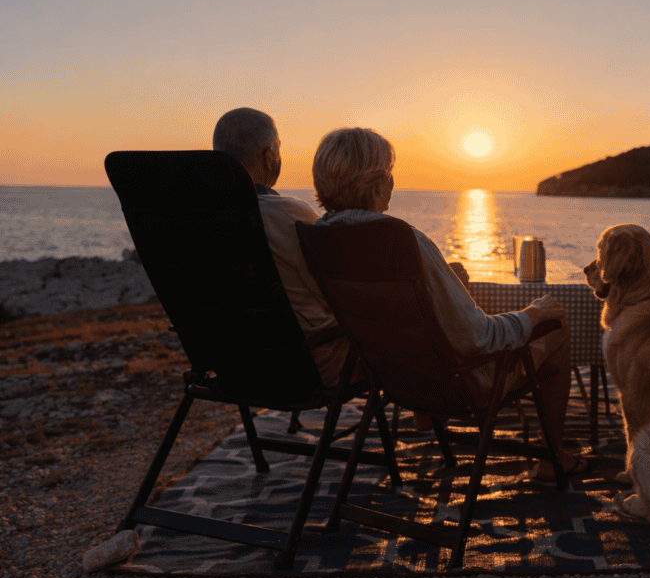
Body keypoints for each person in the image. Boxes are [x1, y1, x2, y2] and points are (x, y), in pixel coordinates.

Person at [311, 127, 589, 480]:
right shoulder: (404, 241)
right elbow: (477, 337)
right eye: (389, 175)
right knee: (556, 325)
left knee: (450, 299)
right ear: (381, 184)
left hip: (396, 380)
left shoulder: (318, 238)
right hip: (461, 385)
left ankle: (425, 413)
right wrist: (533, 315)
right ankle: (551, 460)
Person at [212, 107, 347, 387]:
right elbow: (334, 295)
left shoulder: (195, 218)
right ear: (269, 155)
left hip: (231, 365)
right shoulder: (290, 215)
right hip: (308, 366)